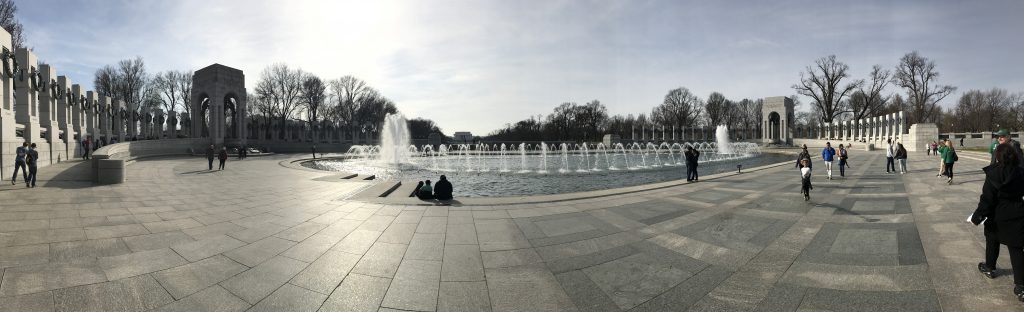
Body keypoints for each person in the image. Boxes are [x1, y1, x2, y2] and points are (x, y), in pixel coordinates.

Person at [970, 144, 1024, 301]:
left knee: (992, 240)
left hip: (997, 215)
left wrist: (977, 217)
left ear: (998, 157)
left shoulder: (994, 174)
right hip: (1017, 213)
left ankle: (989, 267)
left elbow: (987, 199)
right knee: (1016, 248)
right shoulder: (1020, 172)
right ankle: (1021, 286)